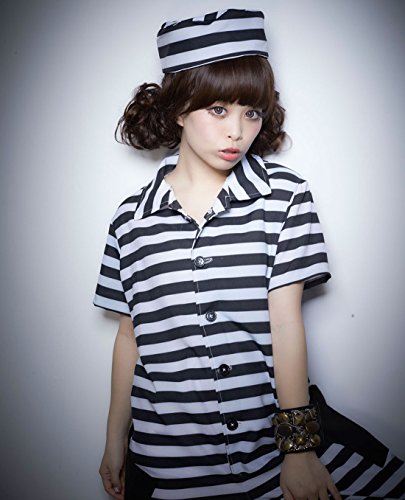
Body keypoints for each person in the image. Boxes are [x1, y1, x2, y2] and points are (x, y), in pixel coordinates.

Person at [93, 8, 405, 500]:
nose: (237, 131)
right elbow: (130, 337)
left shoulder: (284, 197)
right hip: (168, 465)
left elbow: (285, 324)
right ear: (178, 109)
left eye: (251, 112)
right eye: (218, 110)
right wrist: (115, 441)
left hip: (272, 451)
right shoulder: (130, 220)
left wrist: (299, 451)